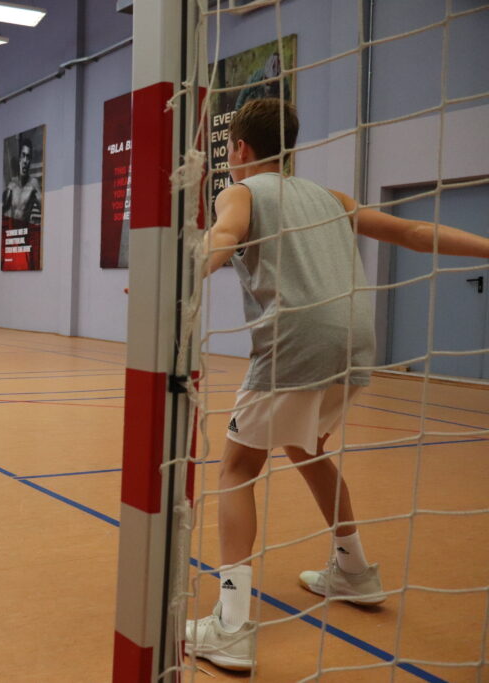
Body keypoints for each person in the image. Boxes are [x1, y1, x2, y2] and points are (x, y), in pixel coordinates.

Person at [184, 98, 489, 671]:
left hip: (296, 342)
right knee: (306, 450)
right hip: (354, 344)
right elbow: (415, 231)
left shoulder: (241, 191)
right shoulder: (330, 198)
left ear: (241, 150)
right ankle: (353, 570)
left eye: (229, 150)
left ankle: (229, 626)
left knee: (236, 470)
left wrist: (182, 277)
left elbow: (224, 233)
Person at [1, 136, 42, 270]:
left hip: (25, 244)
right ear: (19, 159)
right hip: (11, 245)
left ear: (30, 161)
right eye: (23, 156)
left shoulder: (33, 184)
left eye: (28, 157)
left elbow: (47, 213)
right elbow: (1, 214)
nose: (25, 161)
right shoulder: (11, 185)